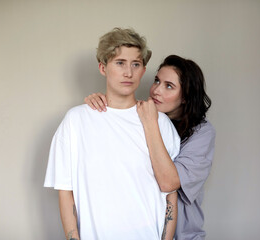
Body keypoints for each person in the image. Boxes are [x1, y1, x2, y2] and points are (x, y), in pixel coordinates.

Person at [44, 28, 180, 240]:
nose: (128, 72)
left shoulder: (159, 122)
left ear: (143, 70)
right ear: (103, 68)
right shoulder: (76, 121)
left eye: (135, 64)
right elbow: (66, 192)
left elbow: (171, 195)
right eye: (120, 63)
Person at [85, 54, 216, 240]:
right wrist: (100, 103)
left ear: (186, 96)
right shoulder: (140, 114)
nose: (156, 90)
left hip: (182, 236)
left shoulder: (202, 132)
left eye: (168, 86)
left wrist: (151, 123)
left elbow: (168, 183)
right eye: (157, 81)